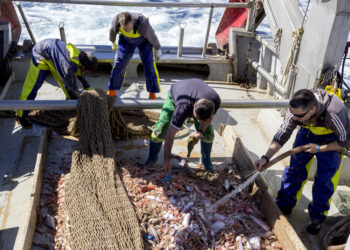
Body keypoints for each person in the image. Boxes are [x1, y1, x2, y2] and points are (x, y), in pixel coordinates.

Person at [255, 89, 350, 235]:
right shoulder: (296, 110)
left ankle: (317, 218)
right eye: (292, 113)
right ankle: (284, 205)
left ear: (312, 109)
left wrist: (319, 148)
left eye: (298, 116)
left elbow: (345, 142)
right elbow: (282, 134)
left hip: (332, 140)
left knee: (324, 180)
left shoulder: (336, 113)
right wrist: (265, 157)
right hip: (306, 133)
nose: (294, 118)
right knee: (295, 171)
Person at [143, 78, 221, 173]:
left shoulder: (215, 101)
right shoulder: (183, 106)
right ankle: (152, 159)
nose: (199, 121)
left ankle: (205, 160)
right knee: (161, 128)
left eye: (202, 119)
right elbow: (170, 134)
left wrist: (199, 132)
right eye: (197, 118)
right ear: (195, 106)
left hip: (196, 90)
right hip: (177, 91)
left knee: (208, 132)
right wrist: (166, 159)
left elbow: (210, 117)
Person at [16, 38, 98, 128]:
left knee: (67, 86)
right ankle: (21, 116)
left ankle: (70, 106)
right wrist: (81, 98)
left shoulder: (81, 56)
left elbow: (80, 74)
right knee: (32, 87)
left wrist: (89, 89)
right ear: (83, 66)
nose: (85, 73)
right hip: (41, 54)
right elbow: (72, 87)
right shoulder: (67, 67)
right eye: (86, 71)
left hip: (55, 56)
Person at [108, 12, 161, 99]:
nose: (128, 30)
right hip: (126, 41)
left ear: (133, 21)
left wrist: (158, 48)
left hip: (144, 41)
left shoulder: (143, 24)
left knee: (149, 66)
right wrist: (113, 42)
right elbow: (112, 32)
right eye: (125, 29)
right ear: (120, 23)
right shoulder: (116, 21)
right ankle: (111, 91)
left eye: (129, 27)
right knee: (118, 63)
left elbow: (152, 37)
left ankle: (152, 93)